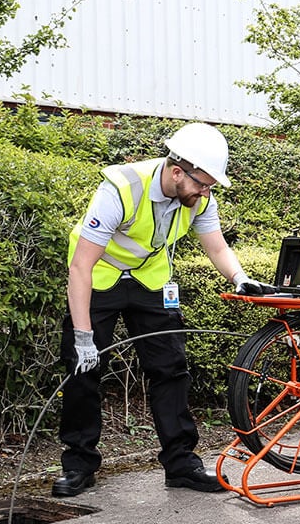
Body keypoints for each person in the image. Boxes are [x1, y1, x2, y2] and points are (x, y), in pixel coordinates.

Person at [52, 122, 273, 496]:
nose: (206, 191)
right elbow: (80, 267)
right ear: (176, 172)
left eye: (209, 186)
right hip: (100, 277)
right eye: (202, 183)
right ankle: (79, 464)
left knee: (171, 369)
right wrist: (84, 337)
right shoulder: (120, 189)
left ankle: (181, 463)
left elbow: (216, 247)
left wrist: (239, 277)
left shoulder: (199, 199)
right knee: (82, 370)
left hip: (151, 282)